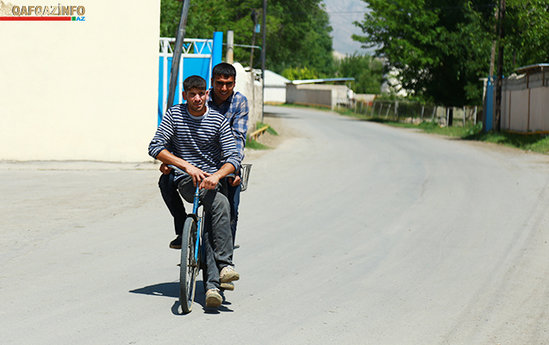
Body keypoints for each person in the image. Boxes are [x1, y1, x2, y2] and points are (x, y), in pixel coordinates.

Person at [148, 75, 240, 308]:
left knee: (216, 213)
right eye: (192, 94)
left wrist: (217, 176)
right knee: (212, 204)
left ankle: (220, 274)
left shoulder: (218, 121)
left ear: (207, 95)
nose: (197, 99)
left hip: (212, 181)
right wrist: (186, 166)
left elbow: (233, 157)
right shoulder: (175, 115)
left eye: (201, 94)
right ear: (185, 95)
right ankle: (215, 270)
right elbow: (155, 146)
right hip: (186, 181)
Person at [158, 62, 249, 250]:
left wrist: (234, 168)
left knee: (230, 207)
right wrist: (169, 160)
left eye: (229, 84)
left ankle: (225, 258)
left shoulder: (240, 102)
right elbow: (179, 134)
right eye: (219, 83)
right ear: (211, 84)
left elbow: (237, 140)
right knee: (165, 181)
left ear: (234, 84)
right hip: (192, 166)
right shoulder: (200, 98)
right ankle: (183, 229)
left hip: (225, 164)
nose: (224, 88)